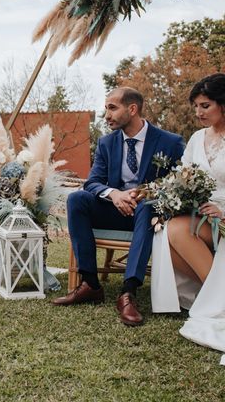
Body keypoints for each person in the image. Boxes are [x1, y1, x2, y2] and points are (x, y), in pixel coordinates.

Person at [53, 87, 185, 326]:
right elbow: (92, 182)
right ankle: (91, 284)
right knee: (76, 199)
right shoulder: (106, 143)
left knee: (147, 207)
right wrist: (114, 194)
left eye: (112, 108)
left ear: (132, 109)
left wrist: (147, 193)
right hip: (115, 210)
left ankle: (128, 291)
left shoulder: (170, 142)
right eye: (106, 109)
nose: (107, 115)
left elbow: (180, 183)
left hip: (149, 215)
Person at [151, 74, 225, 354]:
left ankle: (218, 298)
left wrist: (222, 210)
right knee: (163, 235)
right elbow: (184, 175)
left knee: (177, 231)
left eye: (205, 106)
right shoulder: (196, 138)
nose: (198, 113)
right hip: (200, 212)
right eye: (196, 106)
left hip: (222, 213)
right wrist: (175, 197)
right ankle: (215, 295)